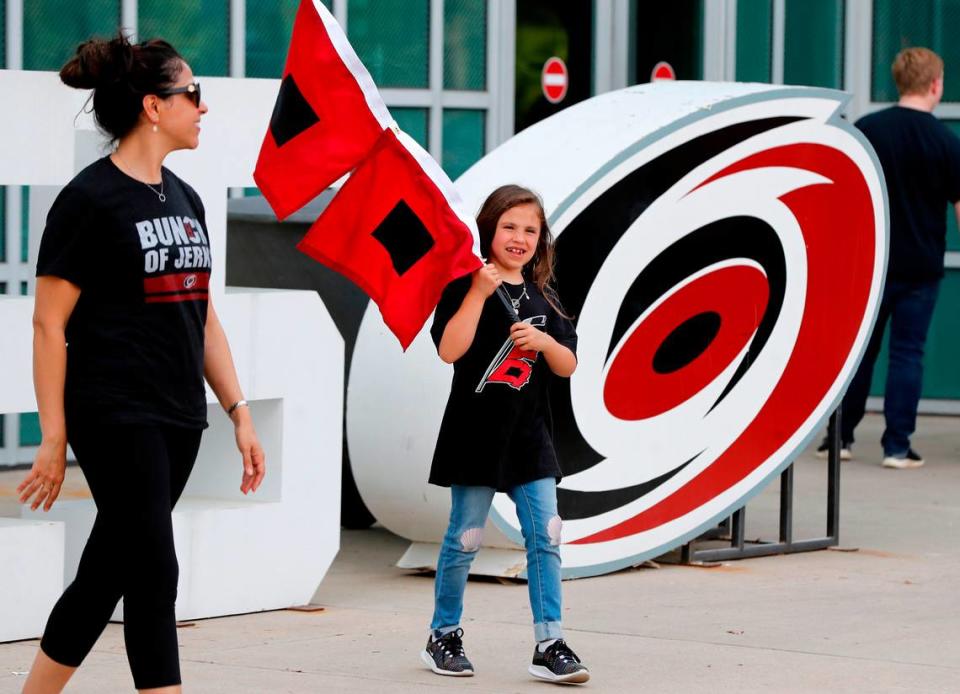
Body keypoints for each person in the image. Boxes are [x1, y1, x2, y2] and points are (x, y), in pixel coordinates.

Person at [16, 33, 265, 694]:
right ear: (154, 107)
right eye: (192, 94)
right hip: (115, 413)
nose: (202, 108)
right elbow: (48, 323)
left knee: (109, 571)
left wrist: (238, 410)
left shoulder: (185, 199)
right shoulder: (90, 201)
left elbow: (202, 314)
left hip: (181, 416)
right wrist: (53, 433)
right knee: (155, 571)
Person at [421, 185, 589, 684]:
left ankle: (549, 641)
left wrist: (542, 341)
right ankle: (443, 634)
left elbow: (568, 364)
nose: (519, 238)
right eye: (509, 227)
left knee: (547, 534)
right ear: (488, 229)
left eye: (530, 230)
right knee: (465, 538)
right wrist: (475, 292)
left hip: (530, 440)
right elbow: (449, 351)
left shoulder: (546, 297)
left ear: (542, 239)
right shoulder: (465, 286)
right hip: (474, 435)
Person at [817, 47, 960, 469]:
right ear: (935, 85)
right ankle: (897, 446)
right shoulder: (945, 142)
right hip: (922, 268)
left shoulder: (867, 131)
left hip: (872, 265)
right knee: (907, 353)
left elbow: (842, 197)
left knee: (861, 352)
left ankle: (838, 438)